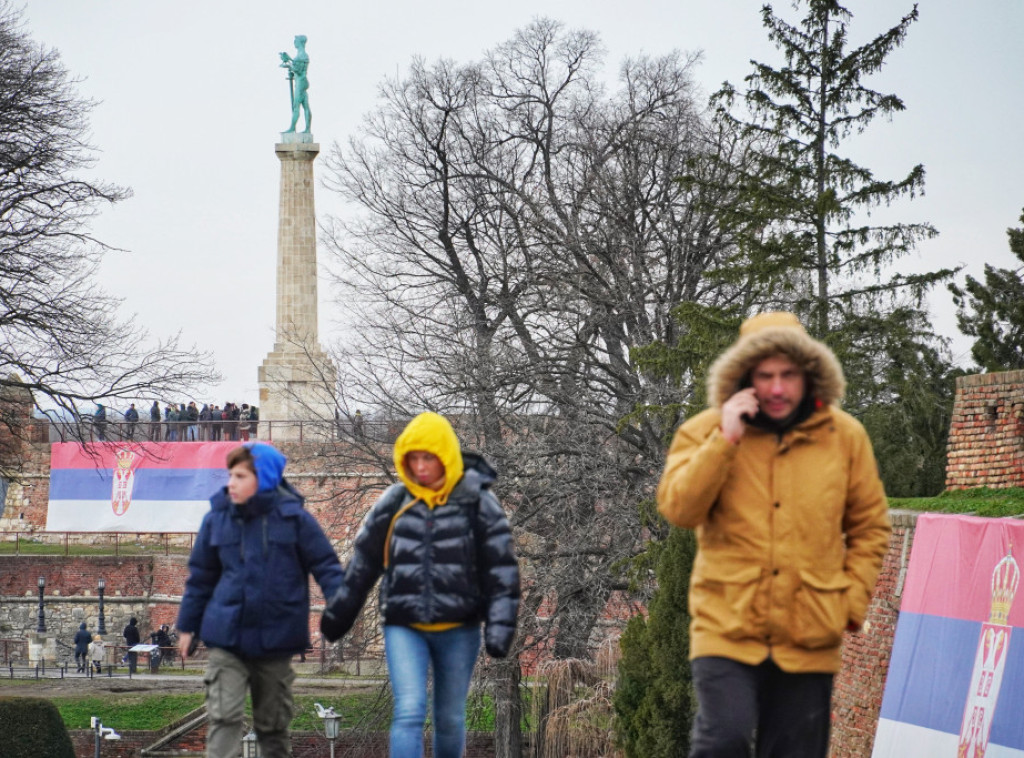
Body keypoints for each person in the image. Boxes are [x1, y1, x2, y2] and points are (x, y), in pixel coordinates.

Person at [656, 312, 892, 758]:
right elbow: (679, 510)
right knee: (723, 740)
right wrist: (725, 440)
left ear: (809, 374)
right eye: (765, 376)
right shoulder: (703, 430)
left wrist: (850, 601)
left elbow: (870, 527)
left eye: (789, 374)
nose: (778, 388)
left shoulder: (845, 437)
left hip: (810, 631)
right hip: (726, 624)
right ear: (745, 377)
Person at [321, 412, 520, 758]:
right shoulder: (395, 502)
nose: (421, 466)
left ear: (446, 456)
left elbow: (501, 569)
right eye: (413, 458)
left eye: (429, 457)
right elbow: (363, 564)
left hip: (459, 627)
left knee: (450, 719)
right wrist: (339, 615)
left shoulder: (477, 502)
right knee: (410, 710)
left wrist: (500, 628)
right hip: (404, 624)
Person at [176, 442, 343, 758]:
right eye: (230, 475)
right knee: (223, 716)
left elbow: (327, 566)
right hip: (227, 635)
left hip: (276, 637)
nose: (231, 483)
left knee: (273, 727)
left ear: (263, 479)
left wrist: (340, 604)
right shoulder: (217, 519)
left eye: (240, 476)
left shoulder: (295, 520)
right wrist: (187, 626)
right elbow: (201, 577)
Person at [279, 35, 311, 133]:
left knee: (296, 106)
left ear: (300, 42)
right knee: (306, 106)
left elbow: (298, 70)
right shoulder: (302, 55)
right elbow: (297, 67)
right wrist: (289, 62)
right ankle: (307, 129)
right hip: (301, 81)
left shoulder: (302, 55)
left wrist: (289, 65)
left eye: (295, 40)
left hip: (301, 82)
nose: (294, 42)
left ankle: (293, 128)